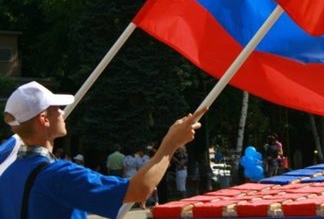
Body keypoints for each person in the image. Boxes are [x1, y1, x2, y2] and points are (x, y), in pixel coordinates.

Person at [0, 80, 206, 219]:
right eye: (57, 108)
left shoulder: (8, 173)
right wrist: (171, 144)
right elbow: (138, 190)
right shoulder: (59, 174)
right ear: (43, 119)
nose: (62, 112)